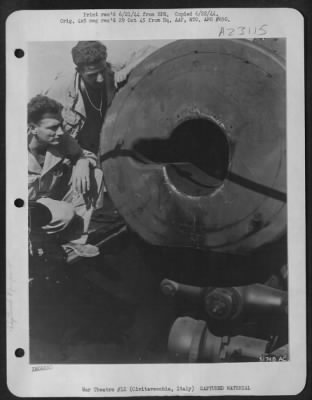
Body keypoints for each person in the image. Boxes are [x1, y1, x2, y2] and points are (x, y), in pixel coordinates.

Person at [45, 40, 157, 156]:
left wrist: (126, 70)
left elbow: (152, 51)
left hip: (108, 146)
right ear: (79, 71)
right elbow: (40, 125)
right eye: (92, 75)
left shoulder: (111, 66)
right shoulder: (60, 88)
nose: (100, 79)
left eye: (102, 71)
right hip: (77, 154)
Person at [28, 95, 102, 257]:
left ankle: (74, 239)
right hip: (27, 209)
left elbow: (84, 154)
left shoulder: (61, 139)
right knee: (65, 213)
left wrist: (82, 161)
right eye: (53, 128)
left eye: (61, 125)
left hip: (50, 197)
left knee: (94, 174)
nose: (60, 132)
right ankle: (37, 241)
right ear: (33, 128)